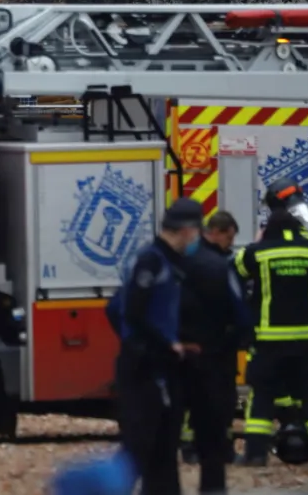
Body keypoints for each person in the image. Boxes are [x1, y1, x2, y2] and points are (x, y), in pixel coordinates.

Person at [234, 177, 308, 466]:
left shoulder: (259, 251)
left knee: (263, 398)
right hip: (307, 342)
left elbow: (236, 270)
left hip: (269, 341)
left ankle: (255, 456)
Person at [107, 197, 202, 495]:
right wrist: (164, 344)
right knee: (140, 447)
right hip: (146, 368)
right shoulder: (151, 260)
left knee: (163, 449)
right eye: (196, 231)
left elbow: (115, 308)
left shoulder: (169, 262)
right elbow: (130, 311)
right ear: (186, 230)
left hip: (162, 366)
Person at [175, 211, 252, 494]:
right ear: (217, 231)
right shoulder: (219, 265)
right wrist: (244, 334)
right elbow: (238, 306)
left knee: (194, 398)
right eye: (229, 237)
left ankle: (192, 447)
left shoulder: (183, 261)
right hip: (219, 346)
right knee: (219, 400)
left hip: (192, 346)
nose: (230, 244)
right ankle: (219, 450)